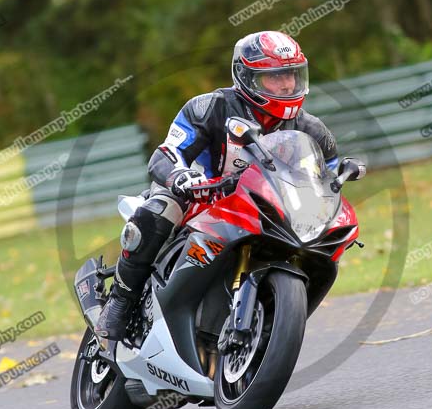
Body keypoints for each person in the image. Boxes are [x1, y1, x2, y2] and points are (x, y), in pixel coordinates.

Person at [94, 30, 339, 340]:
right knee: (159, 210)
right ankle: (120, 302)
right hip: (199, 196)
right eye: (274, 77)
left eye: (291, 74)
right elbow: (166, 154)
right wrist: (180, 177)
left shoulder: (311, 128)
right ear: (246, 77)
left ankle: (268, 323)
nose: (287, 84)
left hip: (260, 207)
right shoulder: (208, 107)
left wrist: (336, 183)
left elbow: (328, 171)